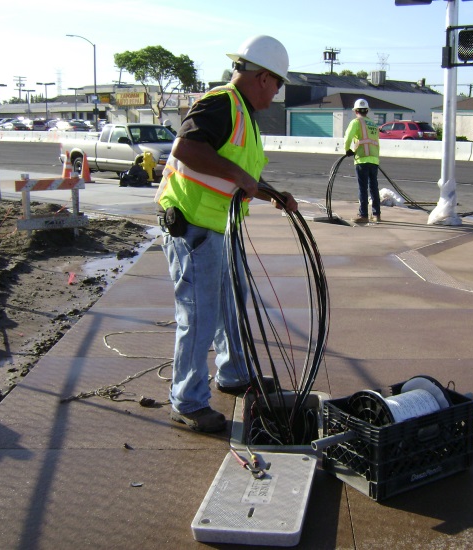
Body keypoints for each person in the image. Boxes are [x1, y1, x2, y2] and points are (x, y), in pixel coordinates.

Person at [154, 35, 297, 433]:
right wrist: (240, 177)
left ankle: (233, 374)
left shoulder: (243, 113)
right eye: (279, 83)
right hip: (195, 228)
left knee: (233, 302)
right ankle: (187, 401)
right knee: (199, 315)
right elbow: (186, 148)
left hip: (220, 227)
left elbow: (239, 170)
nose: (278, 92)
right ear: (264, 78)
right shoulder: (222, 102)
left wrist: (272, 194)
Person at [344, 98, 381, 223]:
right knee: (374, 187)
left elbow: (348, 137)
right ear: (367, 111)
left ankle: (363, 215)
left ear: (355, 111)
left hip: (362, 159)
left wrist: (347, 149)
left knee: (363, 188)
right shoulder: (373, 124)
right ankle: (376, 215)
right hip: (374, 159)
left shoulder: (356, 122)